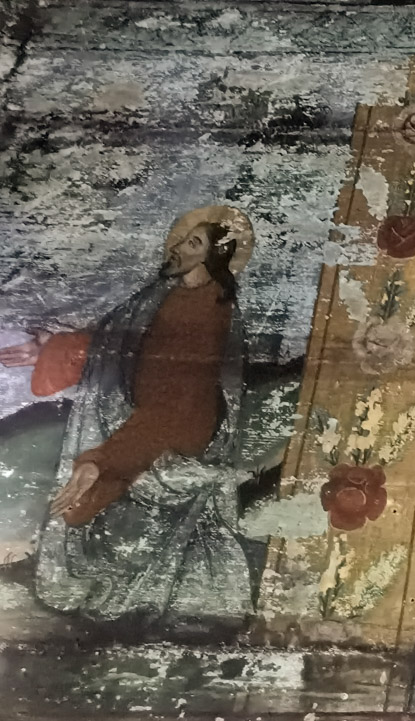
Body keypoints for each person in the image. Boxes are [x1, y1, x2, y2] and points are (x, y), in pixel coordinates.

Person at [0, 207, 259, 623]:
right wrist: (53, 347)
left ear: (215, 258)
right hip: (136, 416)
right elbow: (116, 343)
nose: (178, 246)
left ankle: (116, 599)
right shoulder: (164, 293)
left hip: (171, 430)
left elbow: (182, 402)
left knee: (97, 504)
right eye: (183, 237)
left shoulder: (212, 312)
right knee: (75, 479)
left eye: (194, 243)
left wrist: (106, 458)